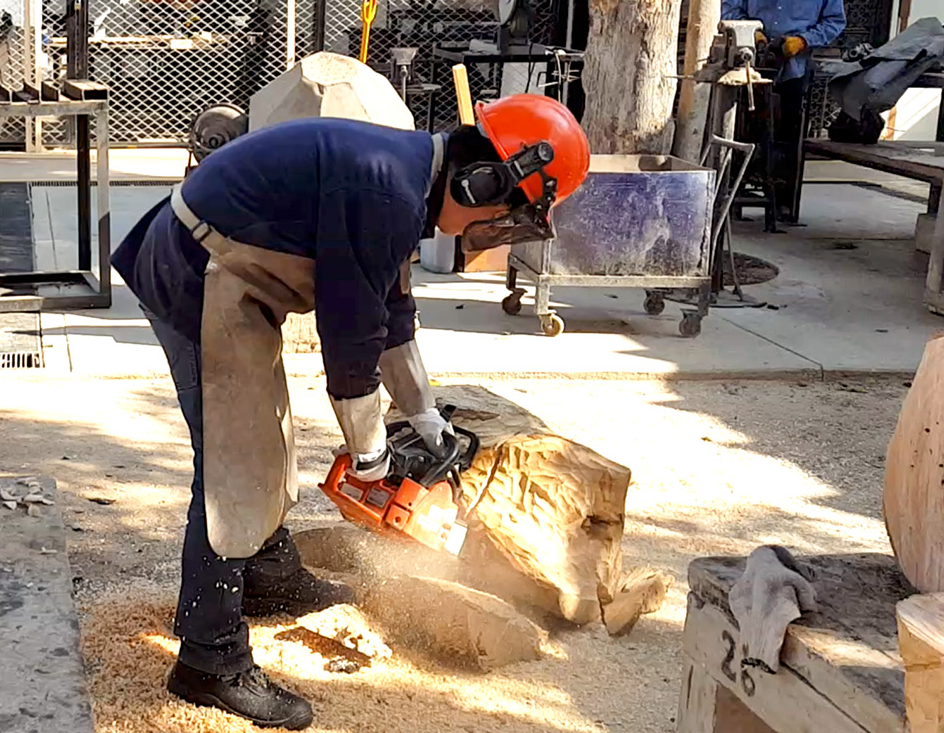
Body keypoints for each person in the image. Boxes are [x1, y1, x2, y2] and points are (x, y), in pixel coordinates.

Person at [111, 96, 590, 728]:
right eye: (507, 213)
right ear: (483, 183)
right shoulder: (387, 192)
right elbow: (351, 337)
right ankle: (210, 657)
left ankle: (266, 573)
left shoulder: (407, 180)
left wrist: (424, 416)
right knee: (236, 462)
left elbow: (390, 311)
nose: (498, 227)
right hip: (199, 271)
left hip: (228, 271)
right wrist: (370, 455)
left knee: (266, 437)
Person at [719, 0, 845, 217]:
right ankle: (735, 193)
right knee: (744, 130)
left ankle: (783, 201)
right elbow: (729, 8)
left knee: (788, 134)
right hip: (751, 67)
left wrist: (803, 41)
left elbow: (834, 21)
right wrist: (753, 33)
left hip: (794, 69)